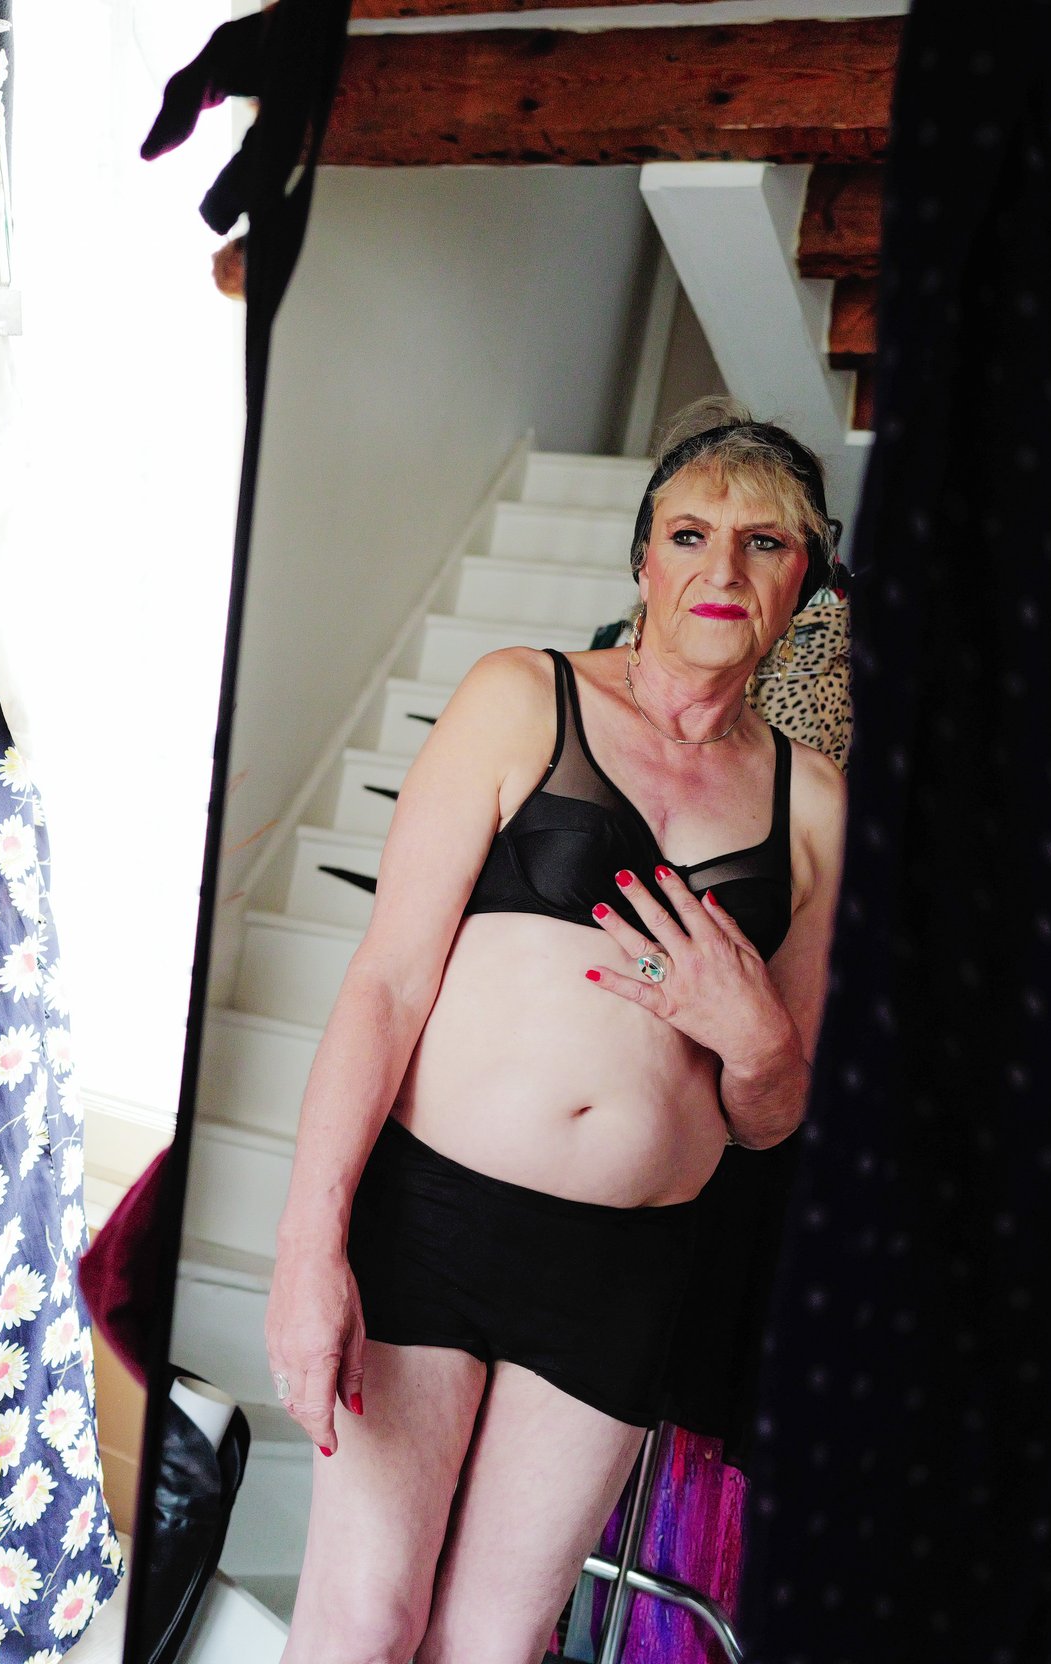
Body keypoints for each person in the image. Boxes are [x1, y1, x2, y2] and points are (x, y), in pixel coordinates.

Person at [264, 400, 850, 1664]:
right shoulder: (521, 696)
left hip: (622, 1272)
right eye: (690, 533)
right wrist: (310, 1245)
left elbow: (772, 1116)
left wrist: (751, 1034)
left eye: (763, 542)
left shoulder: (815, 804)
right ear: (642, 559)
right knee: (366, 1620)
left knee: (496, 1641)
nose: (721, 566)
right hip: (431, 1222)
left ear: (802, 581)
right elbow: (384, 983)